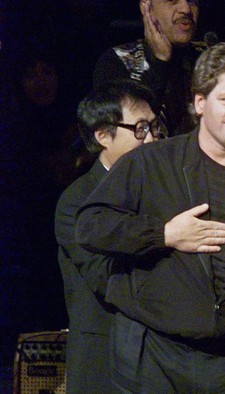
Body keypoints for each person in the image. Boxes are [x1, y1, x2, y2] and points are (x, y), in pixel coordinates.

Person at [76, 42, 225, 392]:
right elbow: (91, 226)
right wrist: (165, 234)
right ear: (200, 103)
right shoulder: (150, 163)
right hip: (155, 355)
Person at [54, 79, 161, 393]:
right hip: (104, 361)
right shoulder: (76, 201)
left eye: (155, 127)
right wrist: (166, 237)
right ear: (102, 135)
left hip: (162, 358)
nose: (153, 139)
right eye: (140, 128)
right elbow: (106, 278)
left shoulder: (162, 190)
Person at [92, 0, 225, 135]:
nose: (185, 9)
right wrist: (159, 62)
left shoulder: (208, 59)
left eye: (192, 1)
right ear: (147, 7)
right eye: (172, 0)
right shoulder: (117, 61)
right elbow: (127, 133)